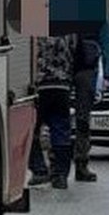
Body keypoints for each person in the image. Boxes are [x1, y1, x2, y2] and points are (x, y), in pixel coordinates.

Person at [30, 31, 77, 189]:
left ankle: (39, 169)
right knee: (61, 130)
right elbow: (74, 52)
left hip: (39, 85)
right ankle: (60, 175)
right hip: (62, 85)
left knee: (31, 129)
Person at [71, 14, 109, 182]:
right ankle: (80, 166)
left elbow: (107, 43)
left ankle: (59, 169)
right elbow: (106, 44)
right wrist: (108, 76)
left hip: (66, 68)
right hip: (86, 70)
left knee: (66, 118)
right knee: (82, 119)